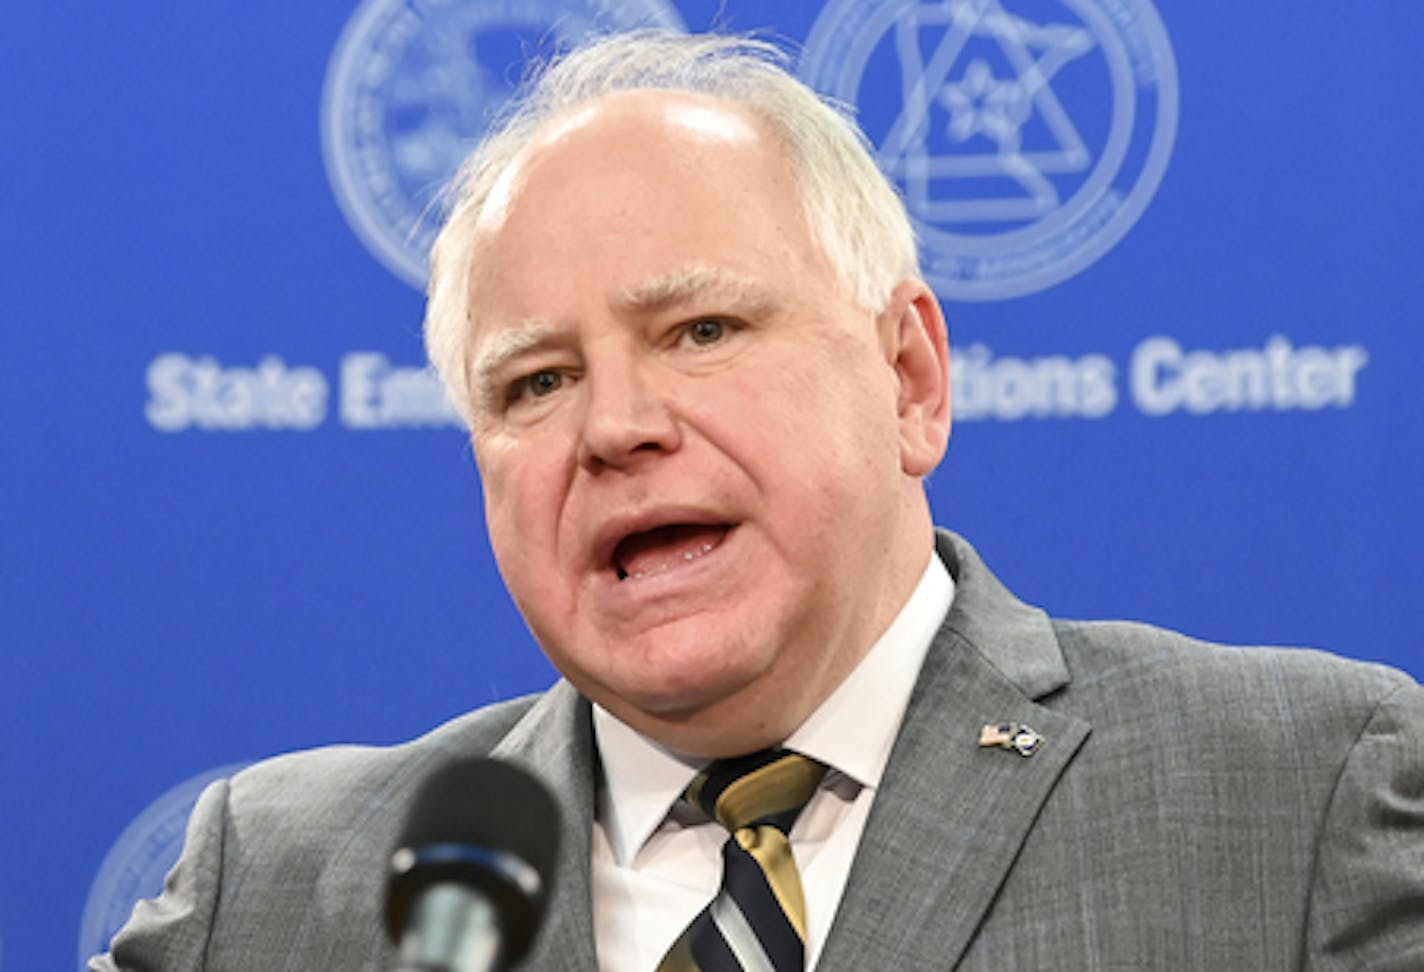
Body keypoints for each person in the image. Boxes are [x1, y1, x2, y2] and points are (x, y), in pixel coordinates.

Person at [94, 31, 1423, 971]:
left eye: (703, 332)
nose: (615, 428)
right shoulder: (275, 890)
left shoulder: (1304, 795)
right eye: (537, 380)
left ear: (910, 378)